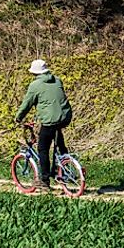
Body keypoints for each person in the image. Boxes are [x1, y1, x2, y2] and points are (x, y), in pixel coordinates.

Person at [15, 57, 75, 186]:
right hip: (65, 117)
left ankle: (44, 180)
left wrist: (18, 117)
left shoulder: (35, 85)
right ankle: (65, 167)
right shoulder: (57, 80)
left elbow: (27, 104)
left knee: (43, 148)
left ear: (34, 73)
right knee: (59, 143)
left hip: (49, 120)